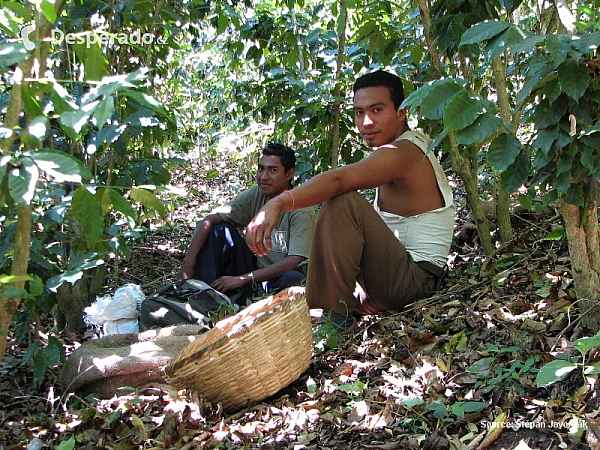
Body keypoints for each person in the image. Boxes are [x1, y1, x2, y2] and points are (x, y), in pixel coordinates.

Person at [246, 70, 455, 331]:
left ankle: (331, 321)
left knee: (343, 201)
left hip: (414, 283)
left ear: (402, 111)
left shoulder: (405, 151)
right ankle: (329, 309)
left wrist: (277, 203)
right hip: (387, 281)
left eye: (377, 110)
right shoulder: (391, 151)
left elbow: (339, 181)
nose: (366, 121)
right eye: (359, 112)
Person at [179, 142, 316, 304]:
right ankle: (202, 297)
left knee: (294, 279)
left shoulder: (302, 209)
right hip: (251, 269)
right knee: (220, 230)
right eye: (261, 168)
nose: (264, 176)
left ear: (289, 174)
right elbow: (210, 220)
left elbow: (295, 260)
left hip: (274, 280)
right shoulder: (257, 194)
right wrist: (188, 266)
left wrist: (244, 279)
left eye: (273, 170)